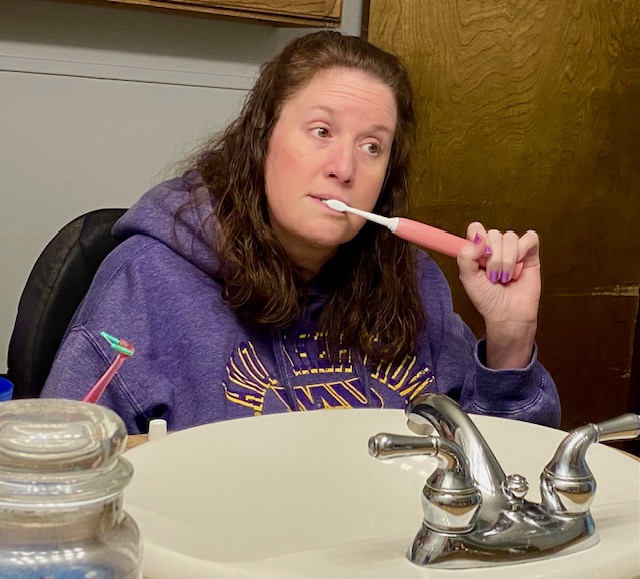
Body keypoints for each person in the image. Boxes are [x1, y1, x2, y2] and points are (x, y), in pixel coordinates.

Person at [42, 31, 560, 434]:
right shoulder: (148, 281)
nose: (344, 167)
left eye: (372, 146)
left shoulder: (415, 282)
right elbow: (61, 481)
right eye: (321, 131)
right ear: (262, 139)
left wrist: (509, 342)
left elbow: (503, 479)